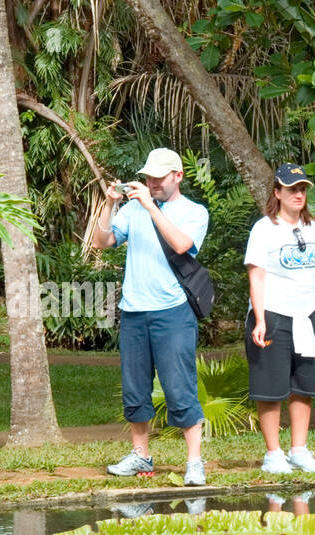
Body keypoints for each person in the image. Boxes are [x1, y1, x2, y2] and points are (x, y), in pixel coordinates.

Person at [91, 147, 210, 485]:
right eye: (149, 177)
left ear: (178, 176)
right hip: (133, 312)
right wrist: (110, 204)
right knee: (135, 388)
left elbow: (182, 245)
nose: (152, 183)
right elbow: (103, 241)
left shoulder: (194, 212)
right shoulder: (132, 208)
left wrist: (149, 207)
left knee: (180, 386)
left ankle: (194, 463)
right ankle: (141, 456)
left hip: (173, 313)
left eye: (159, 178)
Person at [244, 164, 315, 474]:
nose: (298, 194)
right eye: (292, 189)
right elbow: (256, 277)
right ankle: (273, 454)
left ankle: (299, 449)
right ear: (277, 193)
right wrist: (260, 319)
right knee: (270, 386)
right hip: (274, 313)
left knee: (304, 384)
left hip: (307, 314)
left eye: (302, 189)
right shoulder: (264, 228)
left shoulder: (311, 228)